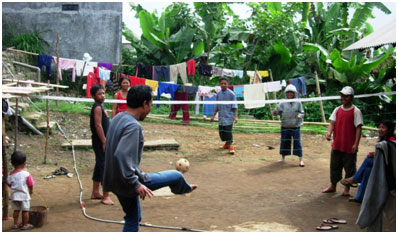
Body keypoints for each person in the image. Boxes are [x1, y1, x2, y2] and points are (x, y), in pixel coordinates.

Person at [103, 85, 198, 232]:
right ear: (144, 104)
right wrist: (136, 184)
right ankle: (183, 187)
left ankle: (182, 187)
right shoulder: (133, 126)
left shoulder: (117, 118)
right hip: (126, 182)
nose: (151, 108)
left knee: (133, 217)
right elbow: (121, 155)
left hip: (113, 179)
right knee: (177, 175)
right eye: (151, 104)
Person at [340, 120, 396, 202]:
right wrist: (375, 154)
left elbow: (390, 157)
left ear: (390, 129)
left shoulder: (392, 141)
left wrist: (375, 155)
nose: (380, 129)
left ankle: (355, 179)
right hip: (380, 164)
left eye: (383, 128)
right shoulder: (384, 140)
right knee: (367, 170)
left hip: (388, 168)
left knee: (368, 160)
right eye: (379, 127)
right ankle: (359, 197)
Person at [323, 86, 363, 196]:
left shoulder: (356, 111)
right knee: (334, 166)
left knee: (349, 167)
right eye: (342, 95)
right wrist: (329, 133)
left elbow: (358, 128)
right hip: (337, 144)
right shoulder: (337, 109)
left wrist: (356, 144)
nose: (343, 98)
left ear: (351, 97)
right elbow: (332, 123)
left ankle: (346, 190)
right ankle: (333, 186)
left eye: (345, 96)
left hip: (349, 145)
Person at [90, 84, 114, 205]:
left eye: (103, 93)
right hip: (100, 141)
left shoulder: (101, 107)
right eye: (99, 94)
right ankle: (106, 195)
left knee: (99, 165)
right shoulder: (97, 108)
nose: (102, 95)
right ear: (93, 96)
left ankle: (95, 192)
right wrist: (104, 141)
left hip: (102, 140)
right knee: (104, 166)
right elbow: (98, 125)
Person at [272, 84, 305, 167]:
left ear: (294, 93)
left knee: (297, 143)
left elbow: (302, 112)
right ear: (285, 93)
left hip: (295, 126)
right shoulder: (282, 102)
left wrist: (299, 116)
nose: (289, 94)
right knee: (284, 142)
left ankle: (300, 160)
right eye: (288, 93)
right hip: (285, 126)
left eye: (291, 93)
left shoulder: (298, 102)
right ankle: (283, 158)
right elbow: (277, 112)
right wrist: (275, 112)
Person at [7, 151, 35, 230]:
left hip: (14, 196)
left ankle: (15, 224)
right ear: (25, 163)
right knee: (25, 210)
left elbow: (9, 184)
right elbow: (30, 184)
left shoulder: (10, 174)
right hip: (24, 196)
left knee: (16, 210)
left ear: (12, 163)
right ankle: (25, 225)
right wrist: (31, 191)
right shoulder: (26, 174)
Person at [210, 78, 238, 154]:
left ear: (227, 84)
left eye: (225, 83)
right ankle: (227, 144)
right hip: (221, 117)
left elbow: (235, 106)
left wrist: (235, 117)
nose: (223, 85)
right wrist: (213, 116)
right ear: (220, 84)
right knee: (222, 132)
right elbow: (217, 106)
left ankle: (231, 147)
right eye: (222, 83)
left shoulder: (232, 94)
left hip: (229, 117)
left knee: (228, 132)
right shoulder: (218, 94)